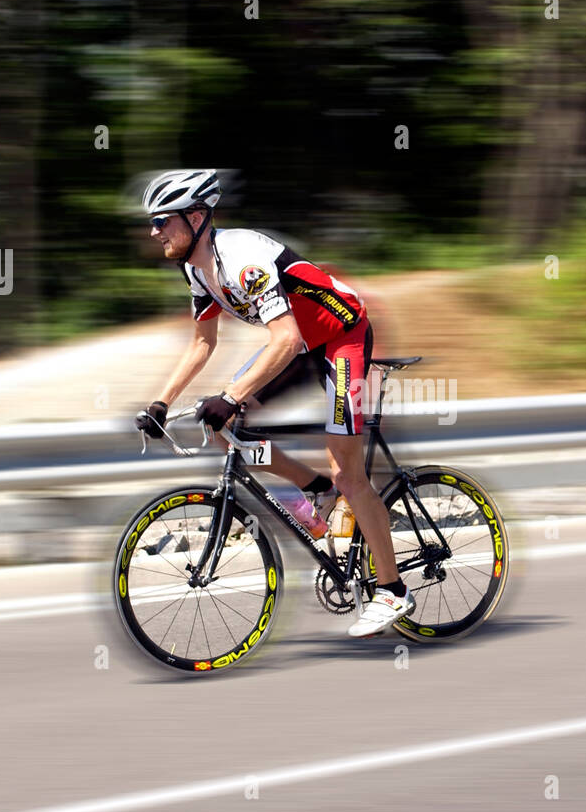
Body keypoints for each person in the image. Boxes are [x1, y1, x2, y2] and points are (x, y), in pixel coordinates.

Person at [133, 169, 415, 637]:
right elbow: (203, 342)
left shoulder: (243, 259)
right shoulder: (196, 268)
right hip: (300, 346)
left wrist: (231, 395)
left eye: (163, 220)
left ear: (197, 216)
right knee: (226, 430)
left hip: (341, 336)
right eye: (153, 223)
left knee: (349, 471)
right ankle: (318, 490)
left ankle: (392, 590)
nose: (154, 231)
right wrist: (161, 403)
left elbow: (282, 340)